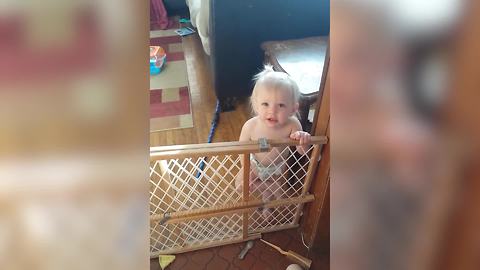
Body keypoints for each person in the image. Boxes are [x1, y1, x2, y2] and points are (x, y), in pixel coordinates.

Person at [235, 65, 311, 218]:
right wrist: (247, 169)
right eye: (265, 104)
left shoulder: (293, 125)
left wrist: (304, 140)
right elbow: (241, 149)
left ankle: (266, 206)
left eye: (281, 105)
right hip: (254, 165)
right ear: (256, 104)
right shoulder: (251, 126)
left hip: (277, 168)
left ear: (293, 109)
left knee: (277, 194)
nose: (272, 111)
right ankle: (265, 187)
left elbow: (302, 152)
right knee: (239, 186)